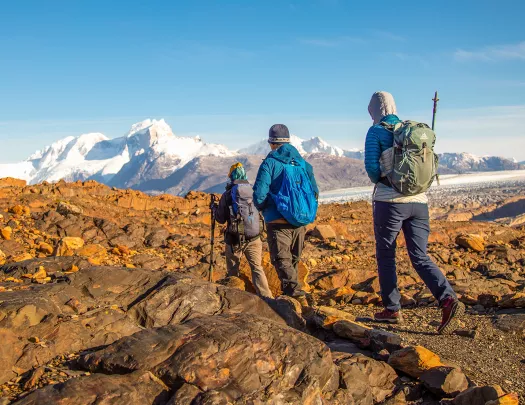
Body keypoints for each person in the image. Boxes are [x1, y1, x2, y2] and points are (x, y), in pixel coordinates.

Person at [365, 91, 464, 334]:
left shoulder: (376, 131)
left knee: (386, 254)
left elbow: (371, 170)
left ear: (373, 111)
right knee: (419, 256)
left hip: (390, 202)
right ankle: (447, 299)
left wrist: (387, 178)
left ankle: (392, 309)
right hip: (420, 202)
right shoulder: (411, 130)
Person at [253, 124, 319, 305]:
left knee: (282, 261)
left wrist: (268, 209)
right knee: (293, 261)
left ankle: (293, 298)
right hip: (300, 221)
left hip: (277, 220)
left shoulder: (270, 163)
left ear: (271, 143)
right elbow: (315, 192)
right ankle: (296, 302)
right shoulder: (304, 164)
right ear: (289, 141)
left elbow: (259, 194)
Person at [213, 162, 273, 299]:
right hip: (254, 237)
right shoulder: (254, 191)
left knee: (233, 271)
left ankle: (233, 299)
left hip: (235, 239)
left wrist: (214, 209)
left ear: (231, 176)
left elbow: (220, 219)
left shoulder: (228, 195)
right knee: (257, 268)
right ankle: (268, 299)